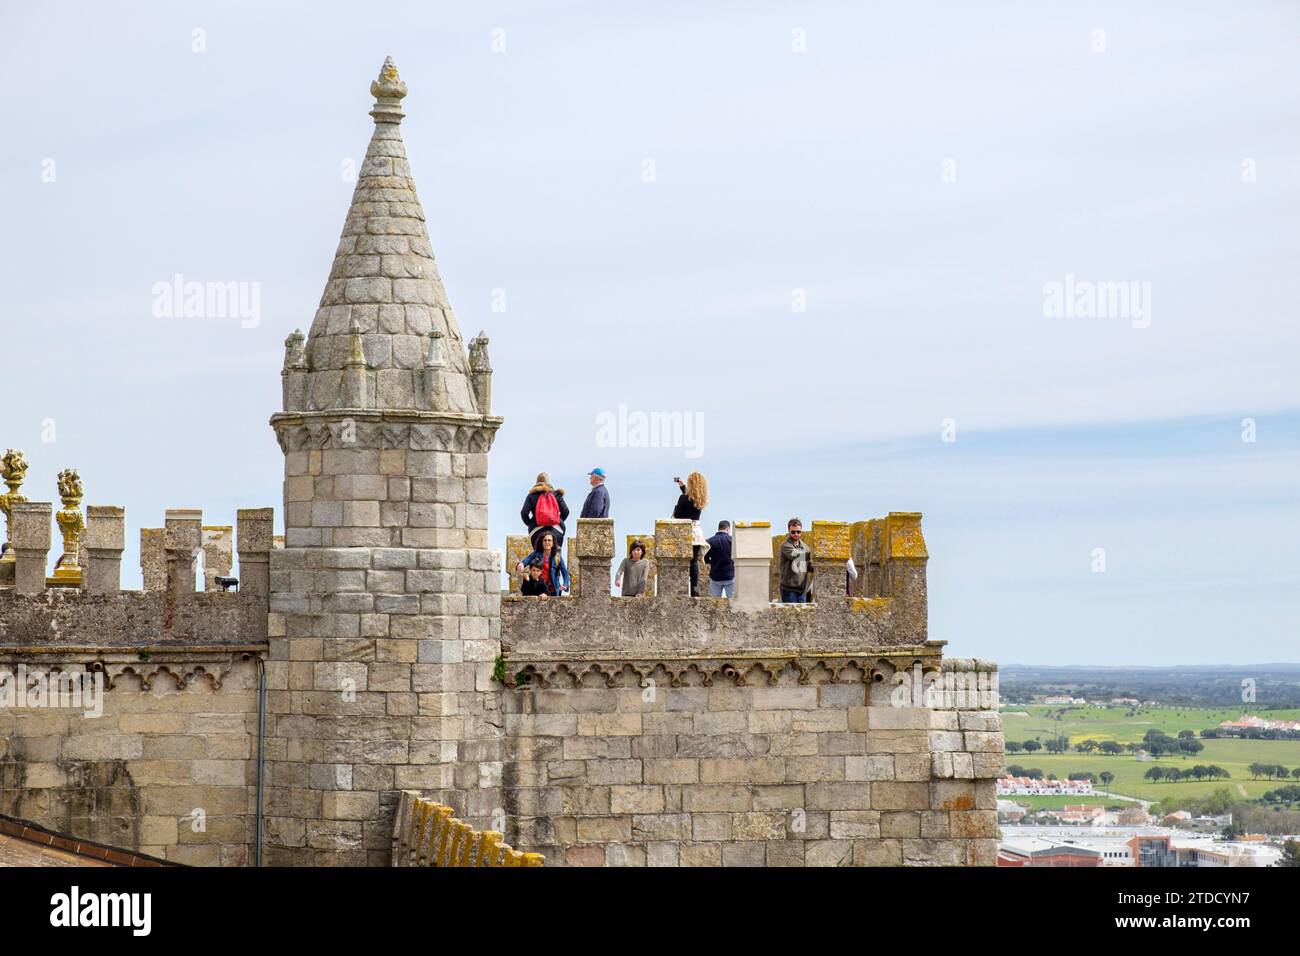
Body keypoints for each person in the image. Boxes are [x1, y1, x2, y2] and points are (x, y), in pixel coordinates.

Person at [672, 472, 708, 597]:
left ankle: (679, 588)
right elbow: (689, 498)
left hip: (685, 531)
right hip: (696, 532)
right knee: (693, 561)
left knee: (682, 561)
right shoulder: (700, 499)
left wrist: (676, 508)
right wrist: (682, 487)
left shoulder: (683, 499)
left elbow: (678, 515)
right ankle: (695, 588)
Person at [520, 472, 569, 550]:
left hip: (536, 531)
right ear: (548, 482)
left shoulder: (531, 496)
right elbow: (566, 511)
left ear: (536, 482)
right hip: (556, 530)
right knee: (556, 556)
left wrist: (531, 523)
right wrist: (557, 520)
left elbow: (524, 513)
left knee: (538, 557)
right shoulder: (556, 495)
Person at [515, 530, 570, 597]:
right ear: (542, 542)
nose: (547, 542)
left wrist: (565, 584)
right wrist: (521, 564)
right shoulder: (537, 553)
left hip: (552, 590)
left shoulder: (557, 557)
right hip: (539, 588)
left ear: (553, 543)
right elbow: (528, 559)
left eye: (549, 540)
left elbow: (564, 571)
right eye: (545, 540)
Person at [778, 518, 813, 603]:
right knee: (790, 616)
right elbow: (796, 555)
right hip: (788, 590)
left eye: (798, 532)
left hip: (802, 590)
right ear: (789, 531)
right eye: (793, 532)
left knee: (803, 616)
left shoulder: (805, 547)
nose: (796, 534)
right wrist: (810, 553)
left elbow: (809, 565)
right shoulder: (785, 546)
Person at [704, 520, 735, 598]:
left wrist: (712, 562)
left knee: (714, 602)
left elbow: (705, 558)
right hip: (730, 575)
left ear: (719, 528)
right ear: (727, 529)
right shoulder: (732, 541)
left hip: (715, 575)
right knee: (733, 602)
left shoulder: (709, 541)